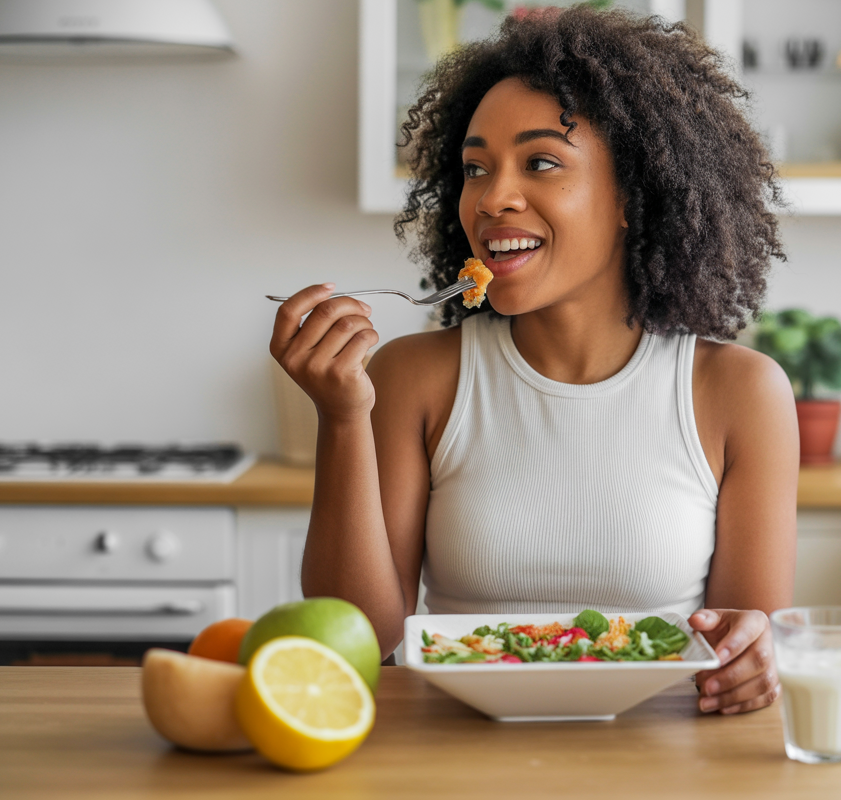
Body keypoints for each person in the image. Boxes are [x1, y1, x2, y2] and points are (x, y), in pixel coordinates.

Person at [270, 7, 797, 716]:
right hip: (453, 761)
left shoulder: (739, 392)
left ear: (632, 199)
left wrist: (756, 657)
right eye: (475, 168)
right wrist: (341, 420)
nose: (492, 199)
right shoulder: (415, 378)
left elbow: (739, 651)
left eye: (541, 162)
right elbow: (359, 638)